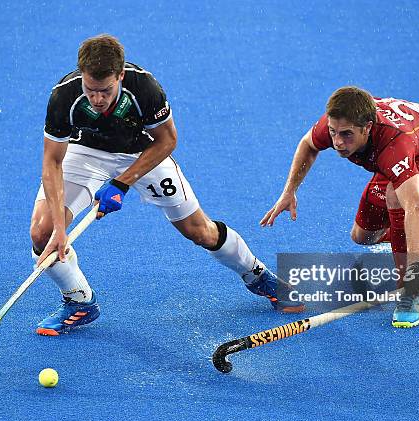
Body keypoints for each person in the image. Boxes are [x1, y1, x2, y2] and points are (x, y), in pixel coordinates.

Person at [31, 34, 304, 336]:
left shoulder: (144, 88)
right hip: (86, 154)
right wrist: (59, 229)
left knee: (199, 231)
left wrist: (121, 184)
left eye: (106, 91)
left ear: (120, 76)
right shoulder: (64, 96)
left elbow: (168, 140)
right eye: (91, 90)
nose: (97, 99)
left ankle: (256, 275)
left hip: (142, 152)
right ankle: (79, 301)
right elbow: (52, 163)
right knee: (42, 233)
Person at [261, 86, 419, 328]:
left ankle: (410, 295)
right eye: (333, 132)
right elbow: (308, 145)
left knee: (397, 196)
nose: (338, 142)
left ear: (367, 128)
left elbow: (415, 208)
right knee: (363, 236)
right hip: (405, 154)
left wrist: (415, 271)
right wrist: (289, 191)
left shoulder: (393, 145)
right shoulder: (340, 120)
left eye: (346, 135)